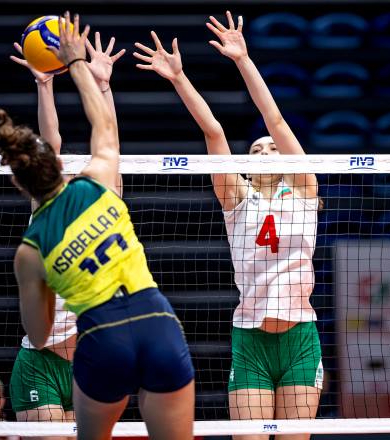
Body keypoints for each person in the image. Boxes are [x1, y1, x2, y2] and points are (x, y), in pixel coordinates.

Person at [0, 13, 194, 440]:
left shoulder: (31, 248)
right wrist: (81, 67)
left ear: (20, 182)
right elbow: (106, 130)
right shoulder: (100, 185)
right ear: (58, 169)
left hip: (98, 340)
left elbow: (37, 330)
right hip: (153, 321)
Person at [133, 11, 323, 440]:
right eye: (255, 150)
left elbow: (275, 119)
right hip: (250, 338)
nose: (264, 151)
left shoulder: (306, 191)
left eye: (272, 148)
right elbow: (214, 131)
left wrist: (243, 60)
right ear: (245, 165)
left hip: (300, 339)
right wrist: (179, 78)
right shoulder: (237, 200)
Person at [6, 29, 124, 440]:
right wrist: (45, 85)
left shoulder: (105, 204)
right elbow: (49, 143)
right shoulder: (47, 207)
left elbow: (108, 140)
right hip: (41, 361)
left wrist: (103, 85)